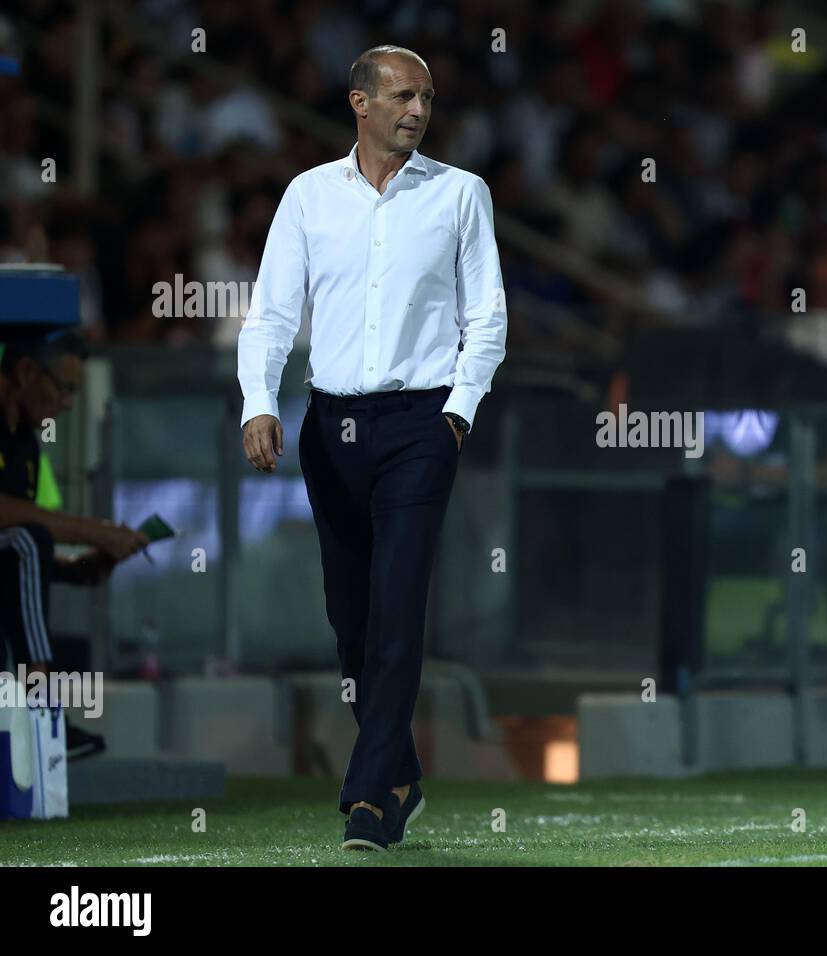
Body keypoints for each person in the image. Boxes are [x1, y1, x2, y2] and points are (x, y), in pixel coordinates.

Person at [237, 45, 507, 851]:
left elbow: (486, 316)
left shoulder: (462, 194)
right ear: (360, 103)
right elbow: (272, 315)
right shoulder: (309, 195)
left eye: (426, 96)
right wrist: (258, 402)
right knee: (349, 616)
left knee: (396, 603)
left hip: (422, 426)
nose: (417, 110)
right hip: (332, 428)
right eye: (400, 95)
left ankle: (367, 798)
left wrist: (457, 415)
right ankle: (401, 773)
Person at [0, 332, 152, 756]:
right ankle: (45, 714)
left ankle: (38, 725)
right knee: (32, 541)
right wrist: (95, 530)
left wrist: (69, 567)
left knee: (32, 545)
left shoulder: (25, 442)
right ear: (27, 371)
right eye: (64, 389)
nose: (66, 404)